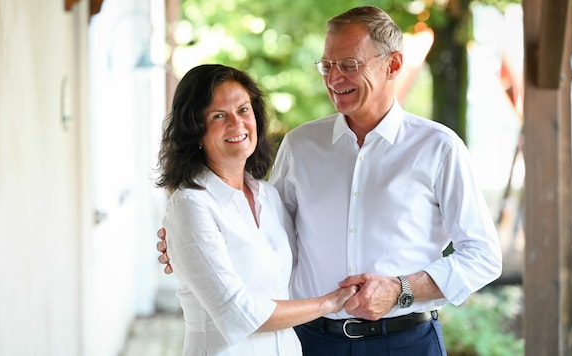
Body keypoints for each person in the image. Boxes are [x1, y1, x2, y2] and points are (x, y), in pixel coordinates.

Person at [157, 6, 502, 355]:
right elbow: (262, 236)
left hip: (406, 341)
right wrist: (186, 246)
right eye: (327, 66)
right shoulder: (300, 146)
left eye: (349, 65)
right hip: (311, 342)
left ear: (393, 65)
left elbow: (483, 256)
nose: (334, 79)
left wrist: (401, 289)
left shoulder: (438, 148)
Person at [155, 63, 357, 356]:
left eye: (243, 110)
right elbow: (238, 314)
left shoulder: (270, 197)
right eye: (218, 115)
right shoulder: (191, 205)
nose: (236, 124)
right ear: (195, 130)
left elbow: (301, 269)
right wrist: (330, 302)